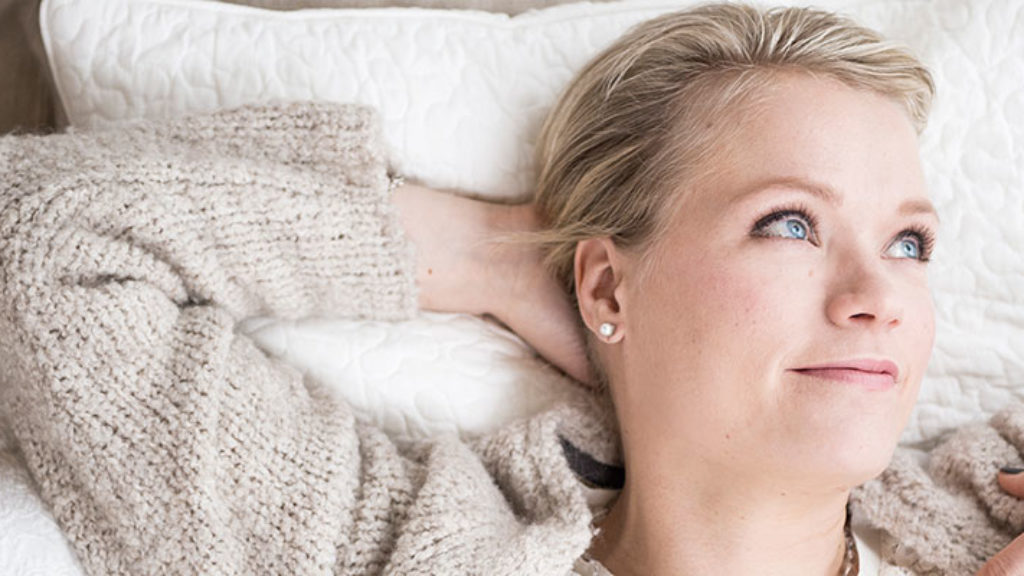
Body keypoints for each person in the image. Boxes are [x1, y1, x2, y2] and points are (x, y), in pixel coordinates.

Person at [0, 2, 1022, 575]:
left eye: (910, 243)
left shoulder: (989, 514)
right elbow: (51, 238)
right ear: (607, 287)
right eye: (789, 223)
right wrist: (493, 253)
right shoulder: (399, 551)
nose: (878, 295)